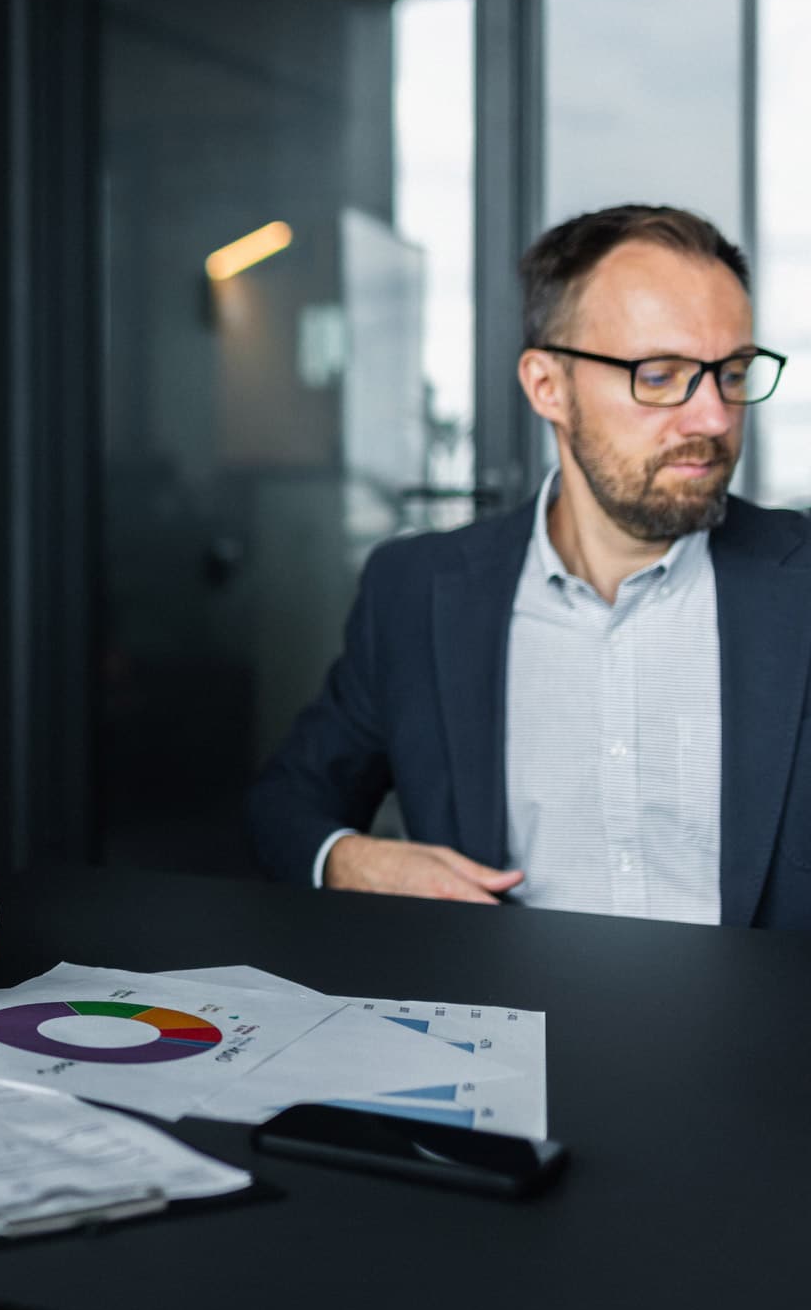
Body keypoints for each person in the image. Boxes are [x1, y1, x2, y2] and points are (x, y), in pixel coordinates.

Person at [248, 203, 811, 930]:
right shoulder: (416, 593)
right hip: (501, 1032)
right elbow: (284, 807)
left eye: (732, 373)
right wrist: (357, 860)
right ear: (548, 386)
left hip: (767, 1039)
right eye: (662, 374)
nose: (712, 417)